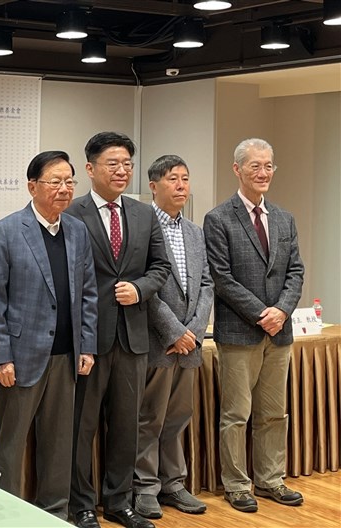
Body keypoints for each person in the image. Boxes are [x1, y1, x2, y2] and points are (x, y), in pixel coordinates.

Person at [0, 151, 98, 520]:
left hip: (67, 355)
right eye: (55, 181)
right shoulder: (6, 230)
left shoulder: (77, 231)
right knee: (12, 443)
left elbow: (88, 293)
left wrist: (87, 346)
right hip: (20, 357)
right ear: (33, 186)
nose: (64, 189)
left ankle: (55, 513)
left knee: (59, 442)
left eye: (69, 181)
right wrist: (1, 357)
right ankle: (6, 515)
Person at [65, 132, 170, 528]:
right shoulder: (72, 213)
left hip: (132, 336)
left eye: (127, 163)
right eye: (113, 163)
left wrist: (139, 289)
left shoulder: (144, 214)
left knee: (127, 425)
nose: (122, 170)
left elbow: (160, 267)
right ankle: (81, 505)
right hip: (89, 338)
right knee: (82, 425)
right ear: (90, 169)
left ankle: (119, 501)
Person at [203, 138, 304, 513]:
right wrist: (263, 313)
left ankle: (270, 478)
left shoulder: (284, 218)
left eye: (268, 166)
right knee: (235, 416)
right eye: (255, 166)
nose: (263, 172)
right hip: (239, 333)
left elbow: (296, 272)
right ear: (237, 169)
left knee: (274, 413)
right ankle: (236, 485)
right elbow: (222, 278)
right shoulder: (218, 219)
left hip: (280, 334)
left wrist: (282, 311)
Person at [132, 155, 213, 519]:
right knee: (150, 417)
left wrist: (194, 331)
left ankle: (174, 483)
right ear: (153, 186)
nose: (181, 186)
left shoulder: (195, 231)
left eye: (185, 178)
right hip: (157, 341)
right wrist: (175, 332)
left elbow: (207, 283)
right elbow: (144, 287)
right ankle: (145, 487)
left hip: (190, 343)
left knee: (178, 416)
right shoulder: (142, 227)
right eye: (172, 179)